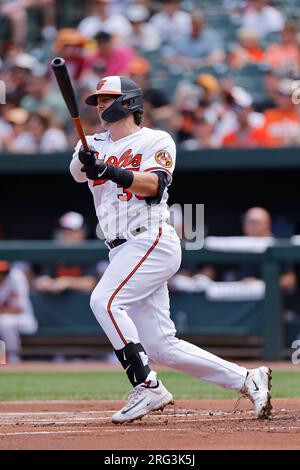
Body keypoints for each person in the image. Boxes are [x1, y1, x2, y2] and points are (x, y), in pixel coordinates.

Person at [69, 75, 272, 424]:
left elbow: (153, 185)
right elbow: (77, 173)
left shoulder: (156, 139)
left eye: (107, 98)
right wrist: (88, 156)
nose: (100, 105)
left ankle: (147, 385)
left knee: (104, 300)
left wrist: (109, 170)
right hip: (120, 248)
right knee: (162, 346)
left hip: (149, 239)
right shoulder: (92, 143)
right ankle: (247, 378)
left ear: (129, 102)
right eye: (97, 100)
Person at [0, 260, 37, 363]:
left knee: (5, 323)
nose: (1, 275)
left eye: (3, 273)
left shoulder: (16, 277)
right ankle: (2, 359)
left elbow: (19, 308)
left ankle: (14, 360)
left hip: (24, 318)